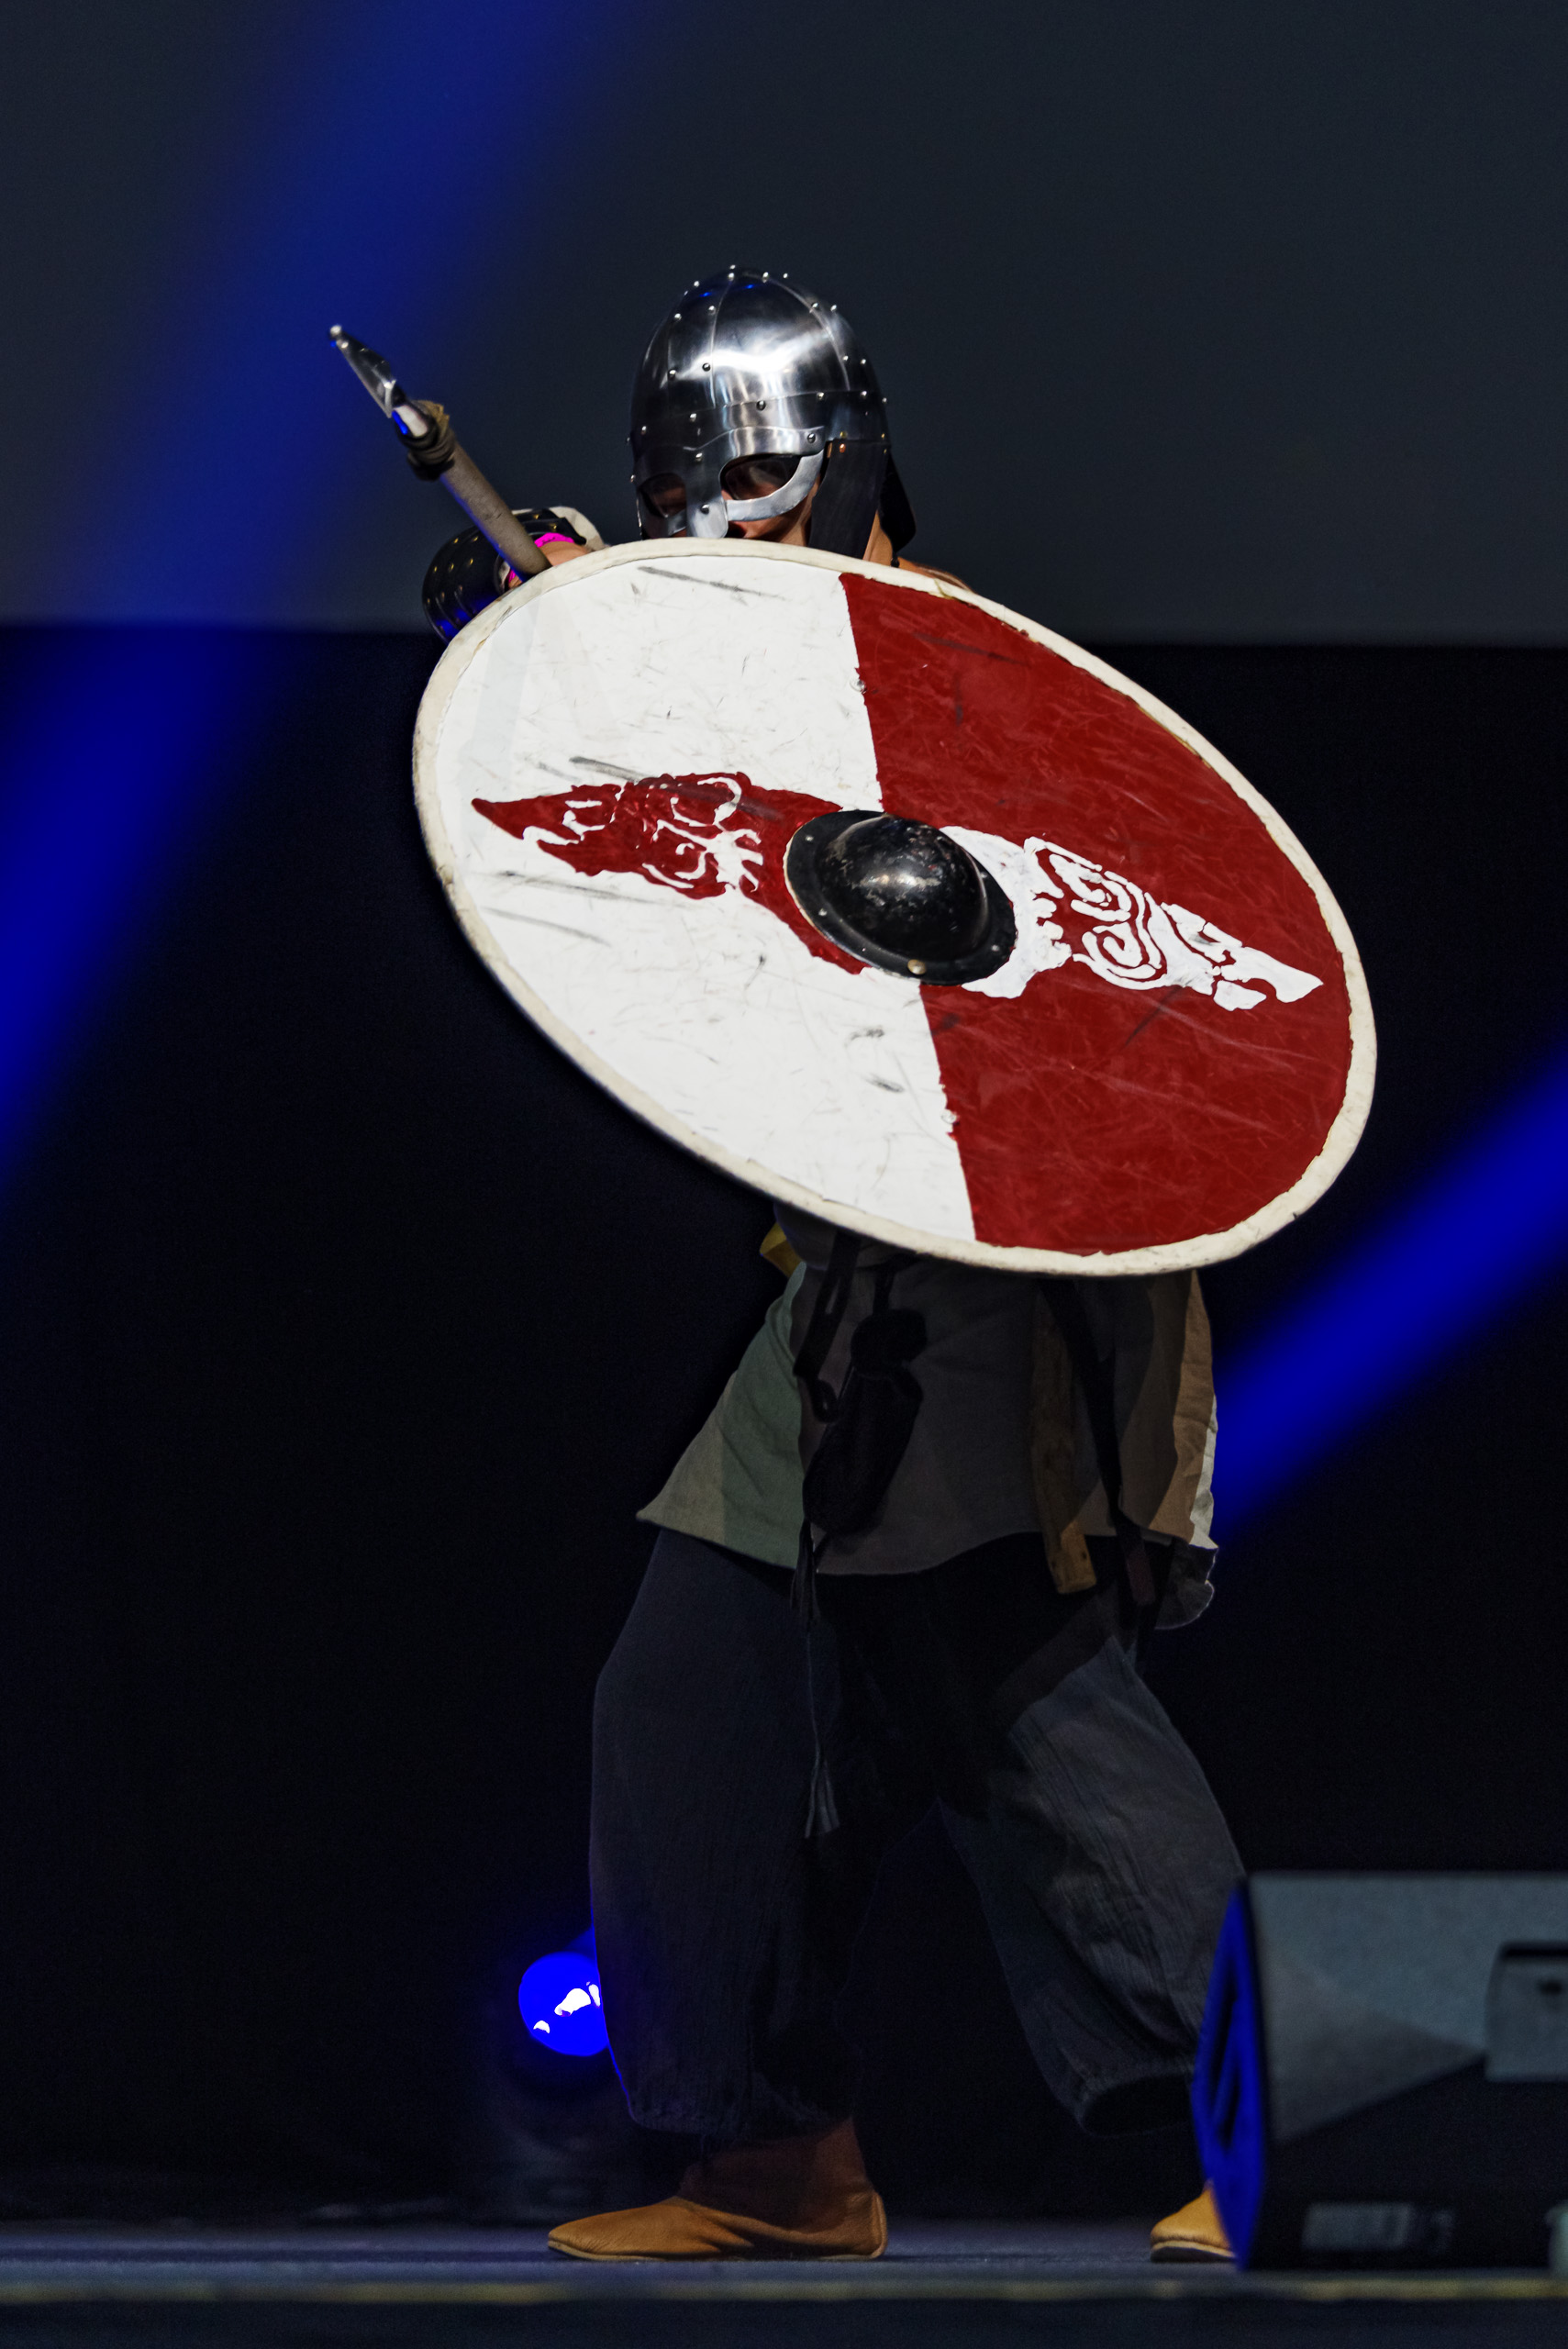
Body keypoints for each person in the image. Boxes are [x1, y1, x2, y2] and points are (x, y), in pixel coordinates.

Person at [425, 271, 1238, 2265]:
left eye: (749, 486)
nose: (723, 523)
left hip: (994, 1274)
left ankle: (1268, 2125)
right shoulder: (742, 648)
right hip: (839, 1298)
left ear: (840, 460)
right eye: (682, 499)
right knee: (693, 1696)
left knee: (1025, 1694)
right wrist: (547, 636)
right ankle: (770, 2158)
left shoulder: (943, 675)